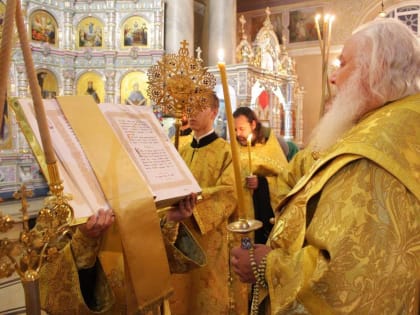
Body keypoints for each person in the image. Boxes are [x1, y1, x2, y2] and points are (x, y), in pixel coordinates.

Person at [231, 18, 420, 314]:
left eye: (343, 64)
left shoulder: (372, 153)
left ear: (377, 70)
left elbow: (349, 276)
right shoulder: (395, 126)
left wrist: (267, 265)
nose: (333, 78)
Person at [39, 194, 206, 314]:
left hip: (146, 304)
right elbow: (52, 285)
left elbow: (154, 256)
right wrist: (85, 239)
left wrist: (170, 220)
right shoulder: (61, 205)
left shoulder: (138, 193)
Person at [169, 92, 237, 315]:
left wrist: (192, 199)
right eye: (189, 106)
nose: (192, 111)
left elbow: (229, 193)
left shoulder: (227, 152)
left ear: (214, 112)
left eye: (200, 106)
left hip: (207, 238)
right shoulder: (178, 147)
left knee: (204, 297)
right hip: (174, 233)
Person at [233, 106, 288, 244]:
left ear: (253, 124)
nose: (238, 134)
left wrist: (262, 182)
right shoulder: (233, 148)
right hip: (240, 212)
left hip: (263, 212)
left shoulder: (270, 147)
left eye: (241, 128)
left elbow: (285, 178)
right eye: (235, 130)